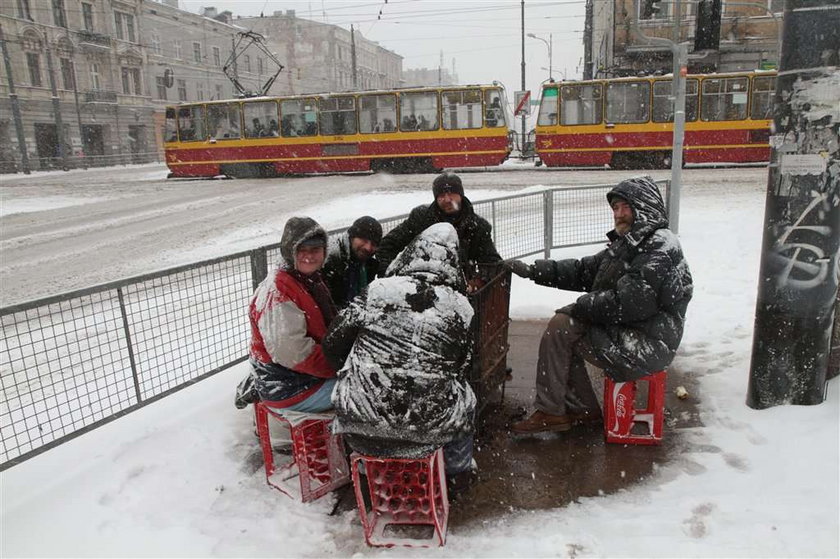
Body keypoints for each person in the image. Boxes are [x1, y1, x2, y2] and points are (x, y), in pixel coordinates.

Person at [505, 176, 693, 435]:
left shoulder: (658, 248)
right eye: (615, 208)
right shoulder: (633, 244)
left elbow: (628, 303)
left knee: (564, 328)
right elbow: (584, 270)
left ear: (643, 207)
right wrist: (533, 270)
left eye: (624, 207)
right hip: (637, 331)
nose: (618, 214)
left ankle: (558, 411)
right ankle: (579, 411)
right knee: (564, 330)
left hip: (648, 343)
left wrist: (579, 307)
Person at [323, 223, 477, 479]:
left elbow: (333, 343)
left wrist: (352, 372)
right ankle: (456, 472)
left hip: (363, 430)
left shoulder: (378, 291)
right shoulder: (461, 308)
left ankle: (364, 470)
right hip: (429, 435)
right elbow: (463, 366)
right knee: (467, 400)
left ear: (410, 253)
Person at [237, 216, 337, 413]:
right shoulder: (278, 292)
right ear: (290, 252)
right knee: (366, 391)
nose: (309, 256)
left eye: (315, 250)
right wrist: (339, 364)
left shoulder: (307, 279)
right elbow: (292, 353)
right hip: (289, 388)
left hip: (297, 377)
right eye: (302, 250)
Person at [376, 172, 502, 292]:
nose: (447, 199)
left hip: (461, 292)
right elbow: (388, 244)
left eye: (452, 193)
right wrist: (389, 275)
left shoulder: (478, 227)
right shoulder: (421, 218)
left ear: (461, 195)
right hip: (420, 288)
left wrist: (477, 282)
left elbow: (491, 261)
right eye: (441, 195)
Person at [322, 216, 382, 308]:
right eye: (364, 240)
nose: (368, 247)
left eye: (374, 244)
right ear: (351, 237)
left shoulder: (368, 265)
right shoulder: (330, 263)